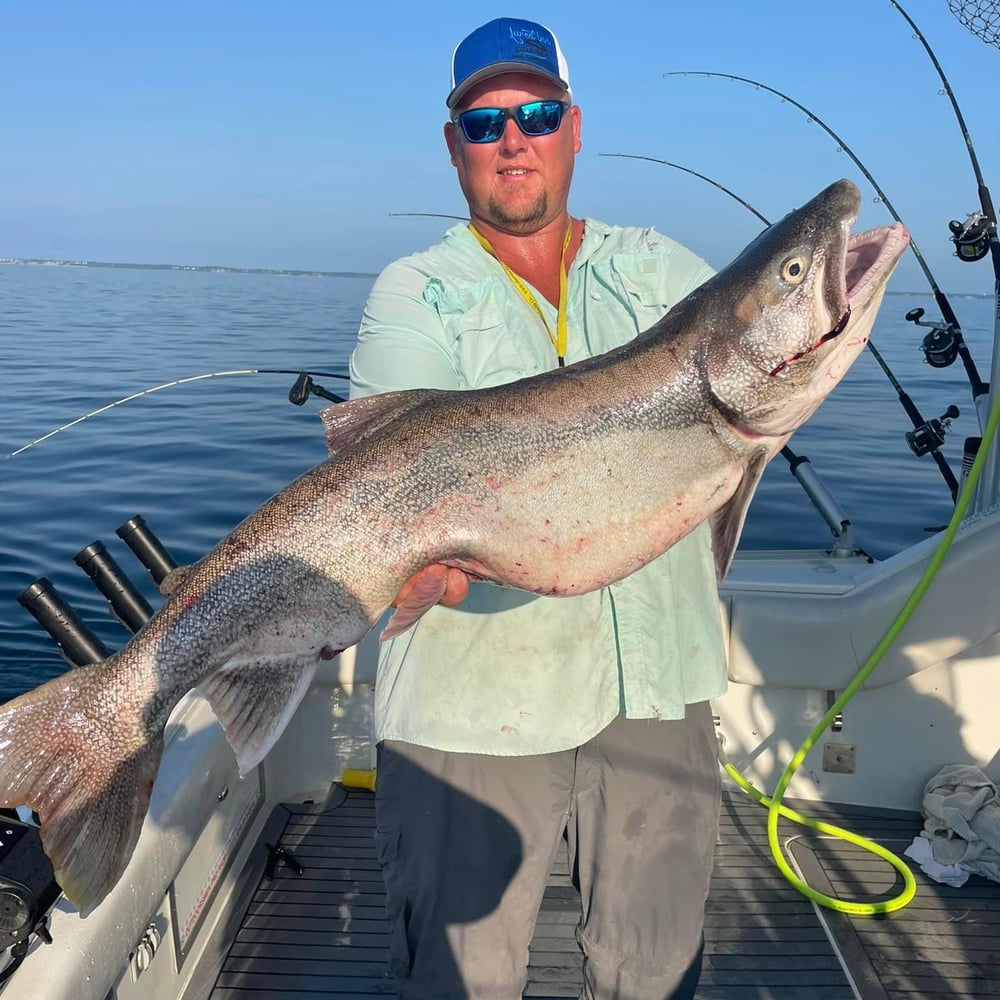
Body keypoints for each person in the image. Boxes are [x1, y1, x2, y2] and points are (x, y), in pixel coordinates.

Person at [349, 17, 728, 1000]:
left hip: (658, 692)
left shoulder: (663, 272)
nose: (512, 138)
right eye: (485, 124)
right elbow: (394, 471)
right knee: (457, 981)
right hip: (469, 710)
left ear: (571, 127)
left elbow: (751, 409)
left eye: (536, 113)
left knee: (652, 976)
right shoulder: (416, 293)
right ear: (453, 145)